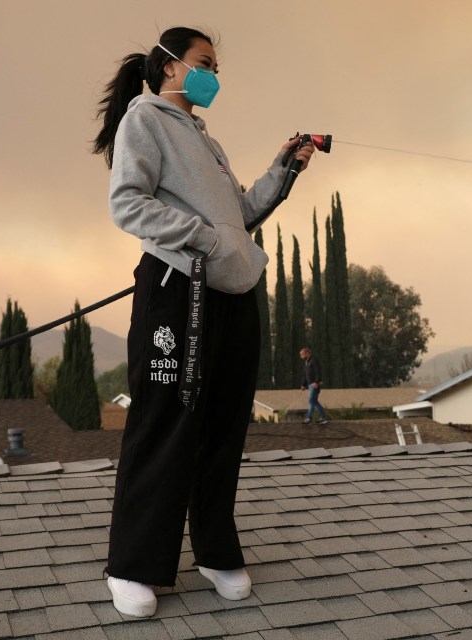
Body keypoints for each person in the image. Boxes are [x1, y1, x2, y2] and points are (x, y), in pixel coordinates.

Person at [92, 27, 315, 618]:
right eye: (204, 63)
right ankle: (134, 565)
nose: (212, 75)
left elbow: (239, 214)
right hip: (177, 291)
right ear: (169, 67)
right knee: (164, 423)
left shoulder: (205, 141)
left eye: (215, 66)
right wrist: (204, 239)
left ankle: (214, 551)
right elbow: (128, 203)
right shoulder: (144, 120)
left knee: (223, 426)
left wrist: (283, 169)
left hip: (233, 295)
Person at [300, 347, 328, 424]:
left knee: (311, 401)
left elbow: (318, 372)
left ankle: (311, 418)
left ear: (307, 353)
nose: (301, 356)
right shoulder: (306, 362)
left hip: (314, 385)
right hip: (309, 385)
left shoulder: (314, 360)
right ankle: (322, 417)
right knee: (313, 401)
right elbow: (305, 375)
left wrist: (316, 382)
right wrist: (303, 385)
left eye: (302, 354)